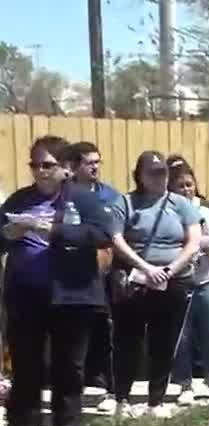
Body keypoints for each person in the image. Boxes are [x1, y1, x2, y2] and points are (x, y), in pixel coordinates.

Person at [0, 136, 115, 426]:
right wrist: (9, 233)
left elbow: (103, 234)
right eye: (34, 164)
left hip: (72, 294)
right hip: (26, 295)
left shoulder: (82, 197)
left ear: (65, 166)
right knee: (26, 363)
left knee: (69, 364)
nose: (40, 171)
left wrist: (52, 229)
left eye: (47, 164)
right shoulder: (19, 200)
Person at [109, 151, 202, 416]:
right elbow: (117, 239)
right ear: (139, 175)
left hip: (173, 281)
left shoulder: (180, 204)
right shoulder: (125, 203)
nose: (159, 178)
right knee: (128, 340)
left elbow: (193, 242)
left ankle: (156, 402)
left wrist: (170, 269)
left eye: (162, 172)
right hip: (135, 279)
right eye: (152, 172)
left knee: (164, 342)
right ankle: (122, 400)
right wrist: (146, 267)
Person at [167, 162, 209, 404]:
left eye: (189, 184)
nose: (186, 189)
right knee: (181, 337)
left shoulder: (207, 208)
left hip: (208, 278)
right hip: (179, 281)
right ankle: (184, 385)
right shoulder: (166, 209)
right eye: (180, 186)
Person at [64, 141, 124, 411]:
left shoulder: (109, 196)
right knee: (75, 336)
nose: (95, 167)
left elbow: (116, 233)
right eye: (90, 162)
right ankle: (83, 385)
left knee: (107, 330)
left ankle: (110, 389)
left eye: (98, 162)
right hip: (74, 276)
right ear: (74, 166)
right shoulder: (65, 195)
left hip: (107, 274)